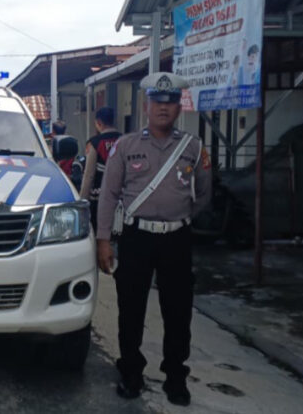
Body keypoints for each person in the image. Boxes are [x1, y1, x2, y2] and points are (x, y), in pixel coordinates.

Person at [95, 72, 212, 406]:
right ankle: (131, 371)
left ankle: (176, 376)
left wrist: (180, 217)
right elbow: (108, 195)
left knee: (178, 311)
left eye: (171, 101)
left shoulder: (193, 147)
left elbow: (204, 193)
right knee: (130, 308)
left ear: (179, 106)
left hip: (177, 239)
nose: (164, 108)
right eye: (158, 101)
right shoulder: (126, 146)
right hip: (136, 238)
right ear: (146, 105)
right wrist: (104, 240)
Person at [80, 107, 122, 228]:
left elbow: (89, 175)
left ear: (99, 123)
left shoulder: (94, 143)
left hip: (100, 200)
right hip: (122, 199)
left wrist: (82, 200)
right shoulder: (125, 140)